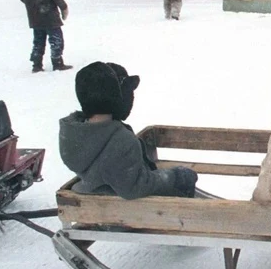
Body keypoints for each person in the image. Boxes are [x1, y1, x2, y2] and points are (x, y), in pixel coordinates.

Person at [59, 61, 198, 199]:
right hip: (130, 211)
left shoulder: (75, 134)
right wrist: (175, 177)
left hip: (99, 199)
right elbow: (133, 187)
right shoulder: (121, 141)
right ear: (116, 96)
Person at [18, 0, 72, 73]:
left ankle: (36, 65)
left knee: (38, 41)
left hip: (34, 18)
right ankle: (57, 63)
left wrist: (32, 6)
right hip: (50, 18)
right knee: (56, 40)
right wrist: (63, 8)